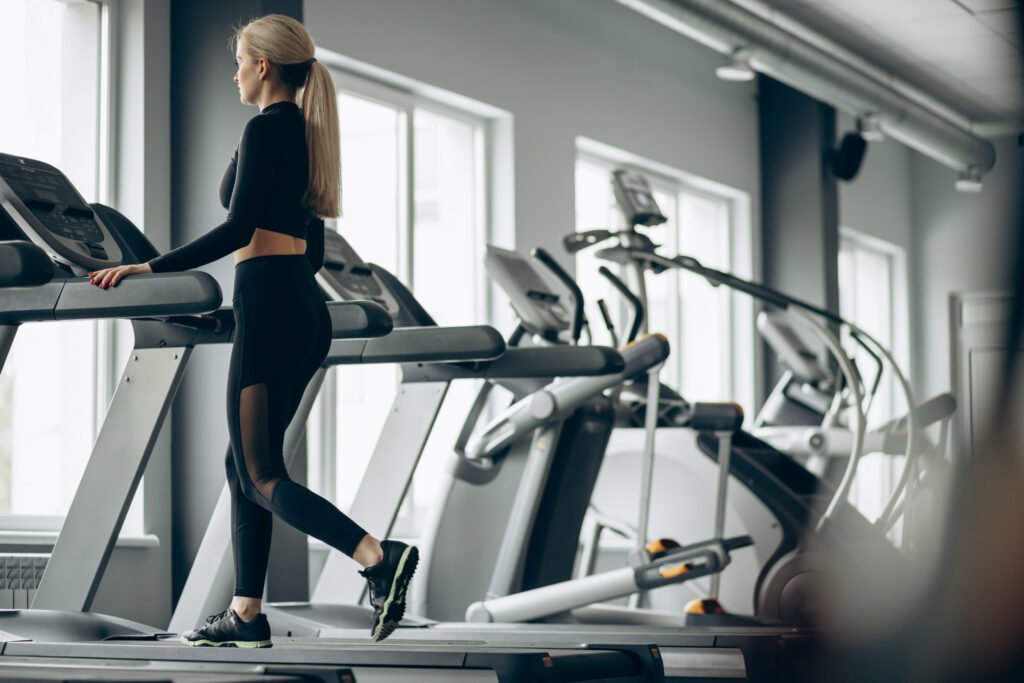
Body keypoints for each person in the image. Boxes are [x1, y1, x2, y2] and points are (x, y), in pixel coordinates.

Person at [88, 14, 417, 646]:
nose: (234, 74)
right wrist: (266, 296)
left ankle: (378, 556)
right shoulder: (308, 135)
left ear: (263, 66)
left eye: (239, 62)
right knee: (242, 466)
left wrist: (148, 268)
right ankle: (245, 613)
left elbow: (238, 229)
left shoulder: (266, 129)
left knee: (262, 474)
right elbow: (310, 252)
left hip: (268, 305)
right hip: (301, 310)